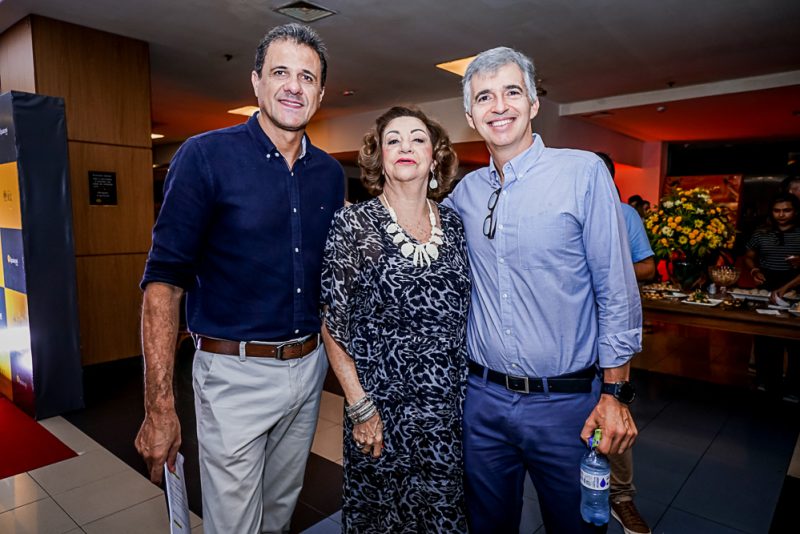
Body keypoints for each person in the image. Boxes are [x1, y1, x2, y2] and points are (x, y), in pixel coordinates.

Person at [135, 23, 345, 533]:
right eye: (280, 72)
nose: (293, 86)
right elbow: (163, 283)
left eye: (307, 77)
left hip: (308, 370)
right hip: (233, 374)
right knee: (234, 526)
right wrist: (159, 406)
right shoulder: (204, 157)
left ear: (320, 93)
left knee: (279, 516)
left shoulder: (329, 175)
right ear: (256, 81)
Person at [443, 47, 641, 533]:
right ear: (470, 116)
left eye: (512, 92)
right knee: (486, 525)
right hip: (482, 401)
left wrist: (615, 392)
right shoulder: (465, 194)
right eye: (484, 97)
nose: (499, 106)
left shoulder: (583, 173)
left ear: (533, 103)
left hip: (568, 404)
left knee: (574, 525)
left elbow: (616, 290)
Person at [321, 106, 470, 532]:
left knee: (442, 517)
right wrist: (360, 406)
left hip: (445, 413)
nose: (406, 146)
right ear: (379, 157)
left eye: (418, 139)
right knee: (384, 520)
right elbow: (332, 320)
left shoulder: (455, 225)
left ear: (435, 157)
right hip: (380, 413)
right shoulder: (353, 224)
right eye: (393, 140)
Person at [597, 152, 654, 534]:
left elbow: (647, 267)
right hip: (565, 335)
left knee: (613, 412)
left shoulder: (624, 214)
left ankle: (621, 495)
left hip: (609, 329)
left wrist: (606, 268)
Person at [744, 193, 800, 402]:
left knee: (794, 339)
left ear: (795, 211)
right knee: (765, 335)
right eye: (777, 211)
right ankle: (767, 382)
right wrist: (754, 269)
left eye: (787, 210)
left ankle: (794, 387)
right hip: (767, 285)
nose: (781, 215)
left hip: (795, 287)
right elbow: (749, 255)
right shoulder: (761, 233)